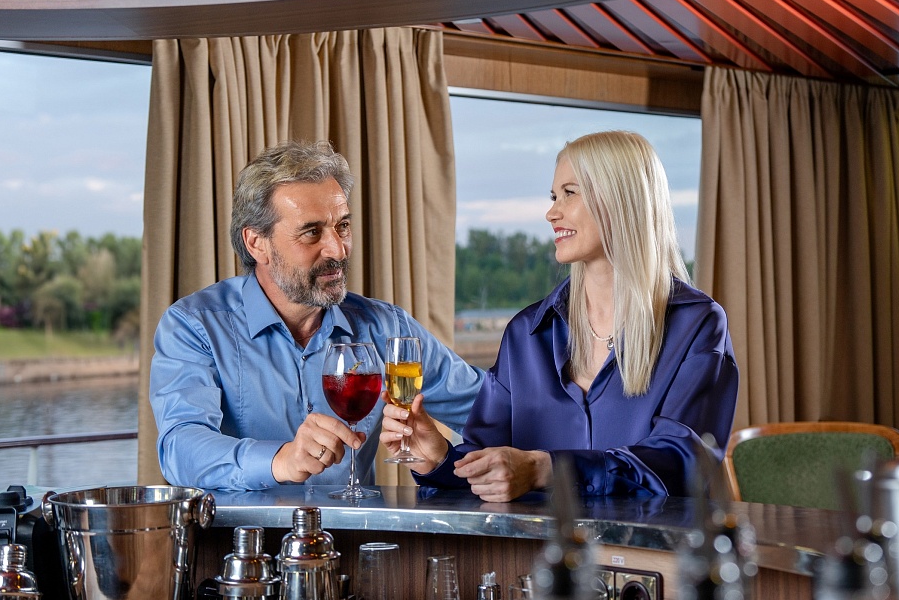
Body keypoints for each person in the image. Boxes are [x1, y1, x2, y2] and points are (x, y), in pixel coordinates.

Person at [381, 130, 738, 502]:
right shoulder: (526, 334)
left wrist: (548, 469)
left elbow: (681, 463)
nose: (552, 213)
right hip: (540, 543)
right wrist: (439, 459)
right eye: (554, 196)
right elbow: (488, 463)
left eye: (570, 192)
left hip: (652, 543)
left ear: (621, 199)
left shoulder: (697, 325)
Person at [151, 140, 484, 490]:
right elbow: (180, 448)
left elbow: (497, 414)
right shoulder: (194, 326)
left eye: (343, 226)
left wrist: (454, 461)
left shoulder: (387, 327)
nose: (337, 249)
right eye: (312, 232)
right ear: (256, 243)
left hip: (357, 527)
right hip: (243, 528)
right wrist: (281, 459)